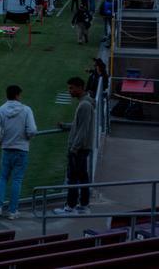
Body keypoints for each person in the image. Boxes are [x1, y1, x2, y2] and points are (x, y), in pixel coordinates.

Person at [0, 85, 37, 220]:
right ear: (17, 95)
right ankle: (12, 211)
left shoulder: (0, 110)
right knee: (17, 180)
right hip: (21, 149)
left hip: (6, 149)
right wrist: (27, 138)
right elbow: (32, 130)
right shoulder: (26, 110)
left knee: (3, 178)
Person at [54, 77, 95, 215]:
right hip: (82, 148)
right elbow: (79, 125)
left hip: (79, 149)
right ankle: (83, 205)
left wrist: (74, 148)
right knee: (82, 177)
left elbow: (83, 129)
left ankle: (70, 207)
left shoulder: (85, 105)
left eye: (71, 88)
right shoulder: (85, 103)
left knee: (73, 178)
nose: (69, 91)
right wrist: (66, 126)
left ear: (80, 88)